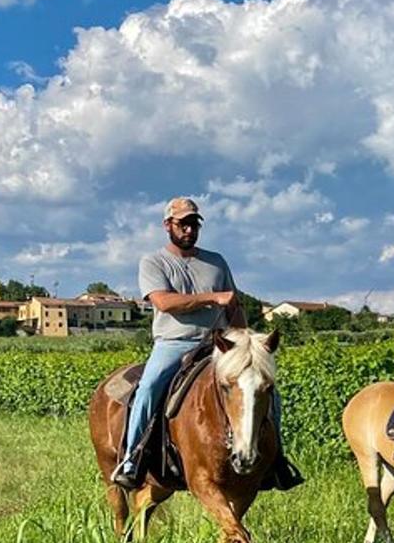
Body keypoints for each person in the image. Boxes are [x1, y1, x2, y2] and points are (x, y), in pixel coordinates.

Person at [110, 196, 303, 491]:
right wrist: (212, 297)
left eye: (193, 224)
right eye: (182, 224)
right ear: (168, 225)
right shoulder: (154, 262)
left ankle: (276, 460)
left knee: (266, 391)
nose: (189, 230)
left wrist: (244, 339)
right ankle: (132, 458)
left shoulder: (216, 261)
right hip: (174, 342)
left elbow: (233, 306)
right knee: (149, 386)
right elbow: (163, 302)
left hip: (221, 345)